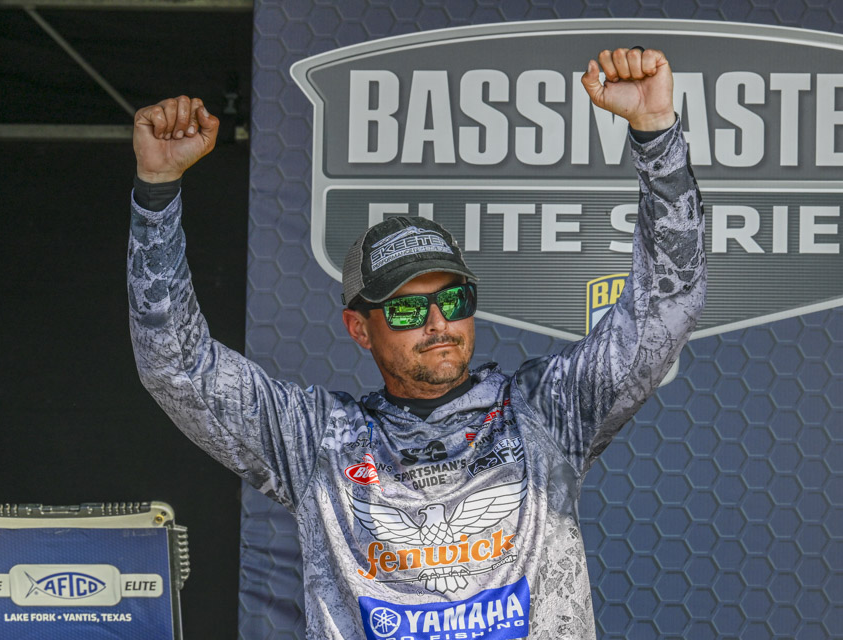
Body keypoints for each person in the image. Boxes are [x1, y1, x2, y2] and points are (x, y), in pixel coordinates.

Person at [128, 47, 705, 640]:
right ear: (359, 328)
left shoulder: (546, 410)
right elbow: (175, 367)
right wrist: (157, 192)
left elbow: (668, 307)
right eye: (406, 309)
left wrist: (655, 134)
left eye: (453, 300)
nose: (437, 322)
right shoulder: (316, 441)